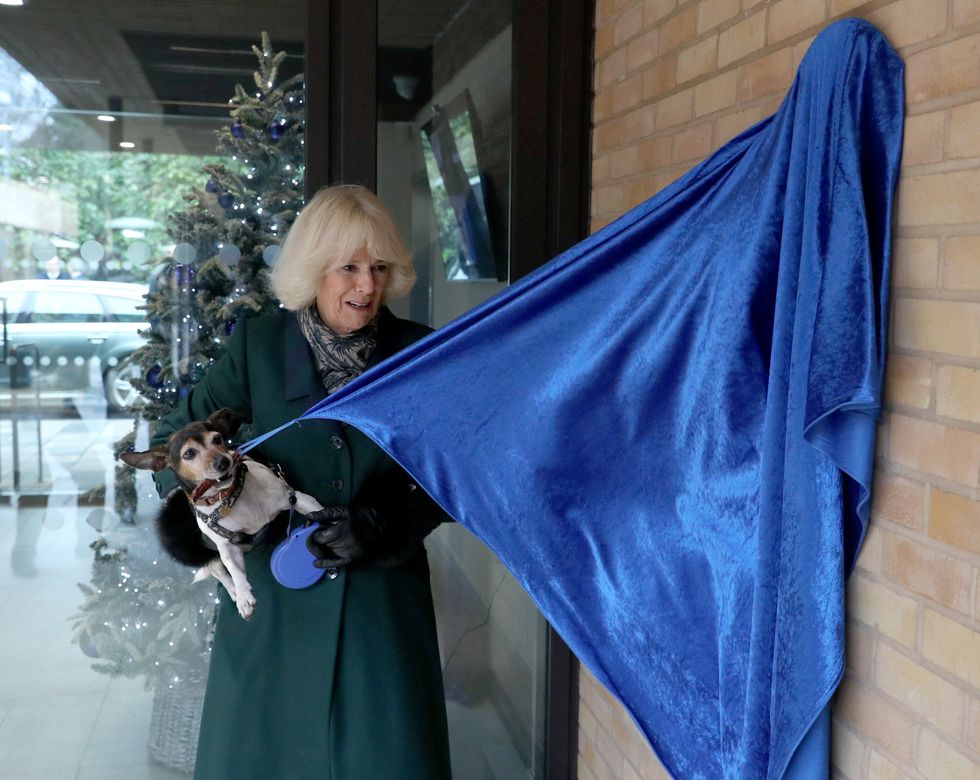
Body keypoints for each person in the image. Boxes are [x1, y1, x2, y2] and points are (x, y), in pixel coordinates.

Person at [151, 184, 453, 779]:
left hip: (381, 605)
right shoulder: (258, 347)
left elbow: (457, 469)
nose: (366, 286)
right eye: (347, 268)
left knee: (383, 758)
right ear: (314, 269)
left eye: (378, 268)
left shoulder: (418, 353)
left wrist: (393, 521)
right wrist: (217, 514)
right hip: (275, 606)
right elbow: (172, 442)